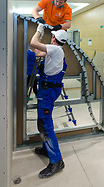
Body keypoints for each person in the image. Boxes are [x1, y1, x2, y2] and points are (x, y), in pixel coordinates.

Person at [30, 23, 68, 179]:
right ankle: (47, 148)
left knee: (46, 124)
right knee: (42, 122)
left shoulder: (55, 49)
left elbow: (33, 44)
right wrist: (38, 42)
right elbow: (38, 51)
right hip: (47, 90)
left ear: (54, 38)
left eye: (51, 36)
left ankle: (57, 161)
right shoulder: (55, 51)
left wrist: (39, 31)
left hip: (48, 91)